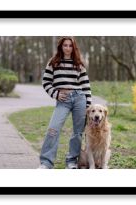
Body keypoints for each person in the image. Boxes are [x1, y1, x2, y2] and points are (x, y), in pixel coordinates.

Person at [38, 36, 92, 169]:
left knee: (78, 132)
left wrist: (88, 105)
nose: (67, 48)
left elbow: (85, 85)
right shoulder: (53, 62)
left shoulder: (78, 63)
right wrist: (55, 94)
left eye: (70, 45)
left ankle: (72, 161)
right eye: (65, 45)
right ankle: (46, 163)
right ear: (61, 47)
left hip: (80, 98)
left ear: (74, 47)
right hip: (63, 99)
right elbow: (46, 82)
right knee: (53, 129)